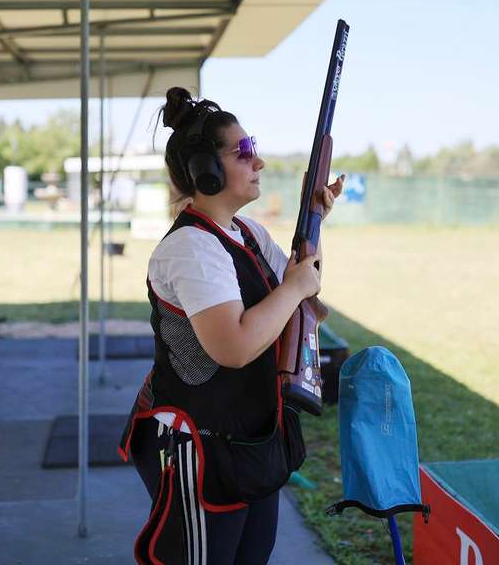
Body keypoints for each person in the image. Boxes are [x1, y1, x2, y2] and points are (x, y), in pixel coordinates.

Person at [118, 87, 344, 564]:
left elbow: (304, 293)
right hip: (199, 448)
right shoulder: (191, 249)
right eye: (244, 151)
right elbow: (235, 346)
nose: (257, 161)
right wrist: (294, 288)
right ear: (207, 169)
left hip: (248, 441)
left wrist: (315, 221)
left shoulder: (248, 233)